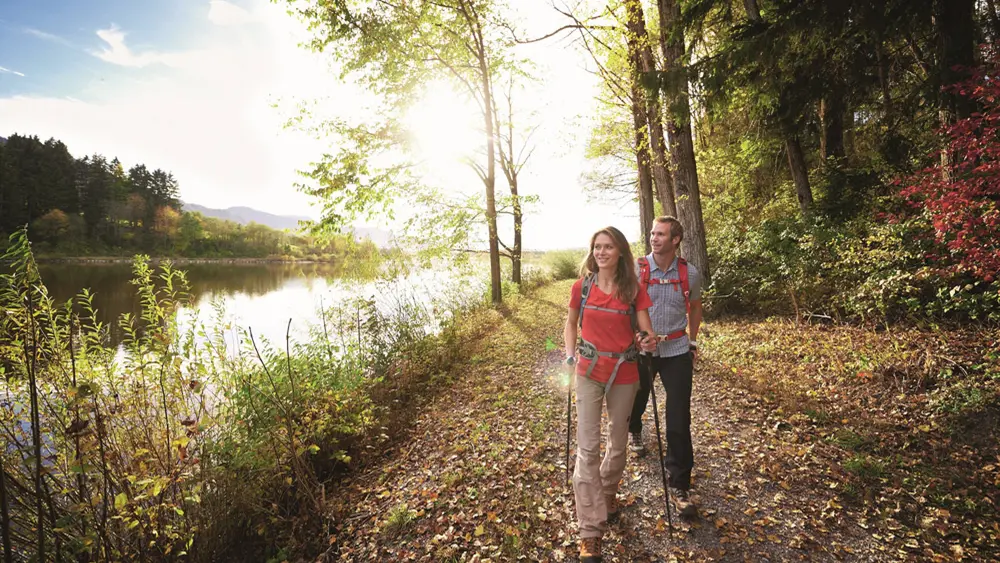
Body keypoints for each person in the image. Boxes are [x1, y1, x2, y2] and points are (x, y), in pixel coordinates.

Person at [563, 226, 657, 563]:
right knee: (588, 448)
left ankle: (606, 494)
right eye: (597, 246)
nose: (601, 252)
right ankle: (590, 530)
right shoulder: (581, 287)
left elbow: (647, 331)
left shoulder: (634, 289)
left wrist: (648, 340)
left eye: (608, 246)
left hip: (624, 373)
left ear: (620, 252)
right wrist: (570, 353)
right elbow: (571, 324)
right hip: (588, 373)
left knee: (618, 444)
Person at [628, 216, 703, 517]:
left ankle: (680, 483)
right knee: (638, 396)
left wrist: (694, 342)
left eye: (660, 234)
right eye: (652, 233)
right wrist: (635, 336)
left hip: (676, 349)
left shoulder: (689, 273)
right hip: (643, 349)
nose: (654, 238)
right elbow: (626, 307)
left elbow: (696, 306)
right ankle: (634, 429)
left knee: (678, 416)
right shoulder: (636, 269)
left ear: (676, 240)